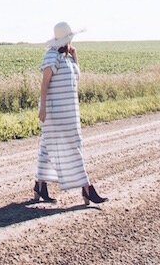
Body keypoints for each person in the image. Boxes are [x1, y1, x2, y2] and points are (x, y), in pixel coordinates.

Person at [33, 21, 108, 206]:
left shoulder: (67, 58)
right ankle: (87, 188)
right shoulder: (52, 57)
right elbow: (44, 84)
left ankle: (39, 186)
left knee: (47, 147)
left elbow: (76, 79)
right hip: (55, 112)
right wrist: (43, 108)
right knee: (73, 146)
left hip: (69, 111)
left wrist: (75, 57)